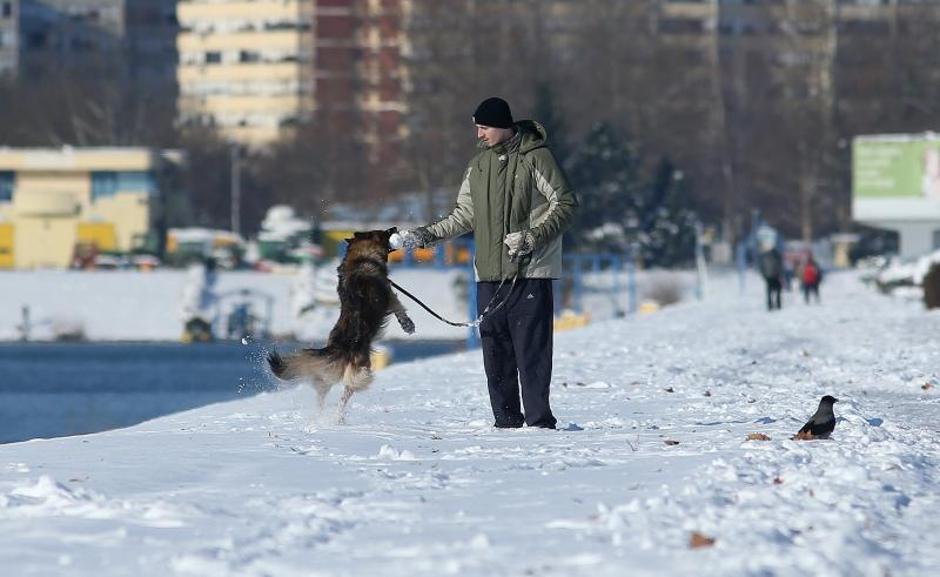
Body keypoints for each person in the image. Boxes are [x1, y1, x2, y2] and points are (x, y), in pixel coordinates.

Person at [399, 97, 579, 429]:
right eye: (477, 128)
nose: (479, 135)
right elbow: (463, 216)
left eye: (484, 128)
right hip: (489, 276)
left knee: (532, 352)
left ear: (502, 126)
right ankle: (506, 423)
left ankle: (540, 424)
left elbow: (565, 204)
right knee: (495, 353)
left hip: (529, 272)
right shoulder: (477, 167)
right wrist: (426, 235)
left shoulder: (536, 158)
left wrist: (532, 237)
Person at [758, 246, 783, 311]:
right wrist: (780, 274)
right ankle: (778, 304)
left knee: (769, 292)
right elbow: (780, 267)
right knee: (778, 291)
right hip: (776, 277)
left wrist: (764, 275)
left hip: (768, 277)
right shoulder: (777, 256)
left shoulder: (765, 257)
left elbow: (762, 267)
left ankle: (769, 305)